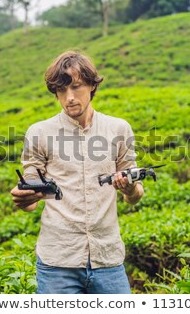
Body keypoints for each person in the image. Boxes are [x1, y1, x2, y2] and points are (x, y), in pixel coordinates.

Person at [10, 51, 144, 294]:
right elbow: (29, 194)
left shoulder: (118, 129)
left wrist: (130, 188)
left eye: (76, 87)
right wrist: (24, 199)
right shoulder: (39, 133)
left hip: (108, 260)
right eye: (61, 91)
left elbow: (134, 197)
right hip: (58, 264)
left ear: (92, 85)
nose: (69, 97)